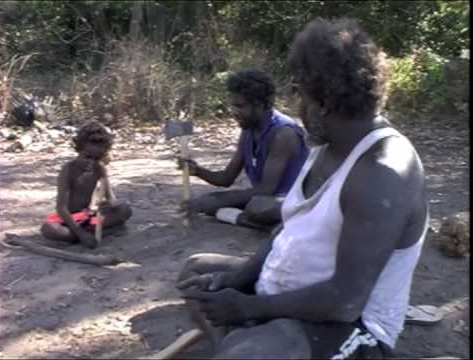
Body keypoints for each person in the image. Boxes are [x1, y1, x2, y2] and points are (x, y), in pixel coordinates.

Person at [176, 17, 428, 359]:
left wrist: (249, 307)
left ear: (322, 102)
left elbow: (344, 302)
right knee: (196, 273)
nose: (298, 106)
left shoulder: (382, 171)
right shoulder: (325, 145)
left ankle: (243, 342)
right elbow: (289, 229)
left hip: (352, 324)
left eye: (301, 94)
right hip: (291, 293)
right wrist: (239, 277)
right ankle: (237, 342)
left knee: (247, 350)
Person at [179, 69, 308, 229]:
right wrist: (196, 170)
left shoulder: (284, 133)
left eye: (240, 106)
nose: (234, 112)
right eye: (233, 106)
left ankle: (255, 221)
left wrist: (213, 201)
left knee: (256, 206)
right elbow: (226, 179)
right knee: (211, 203)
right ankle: (250, 221)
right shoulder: (248, 130)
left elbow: (266, 190)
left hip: (291, 202)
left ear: (259, 104)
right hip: (266, 201)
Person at [40, 120, 132, 248]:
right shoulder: (68, 170)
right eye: (88, 157)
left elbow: (111, 198)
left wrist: (113, 205)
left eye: (97, 158)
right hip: (69, 219)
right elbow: (61, 208)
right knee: (49, 228)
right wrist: (80, 233)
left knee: (125, 210)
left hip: (88, 217)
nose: (91, 162)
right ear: (79, 149)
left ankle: (84, 234)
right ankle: (85, 234)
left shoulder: (99, 168)